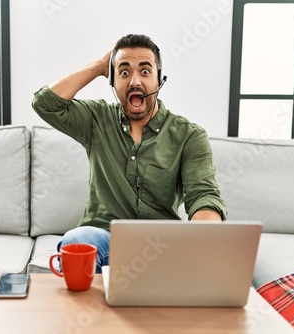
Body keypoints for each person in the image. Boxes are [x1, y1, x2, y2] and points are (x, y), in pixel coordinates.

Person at [32, 34, 227, 273]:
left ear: (159, 80)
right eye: (124, 72)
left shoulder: (189, 136)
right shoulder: (96, 119)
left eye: (145, 72)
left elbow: (203, 196)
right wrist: (98, 67)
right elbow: (45, 103)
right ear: (113, 82)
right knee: (77, 241)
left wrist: (205, 233)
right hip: (103, 236)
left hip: (162, 243)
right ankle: (90, 310)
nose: (135, 81)